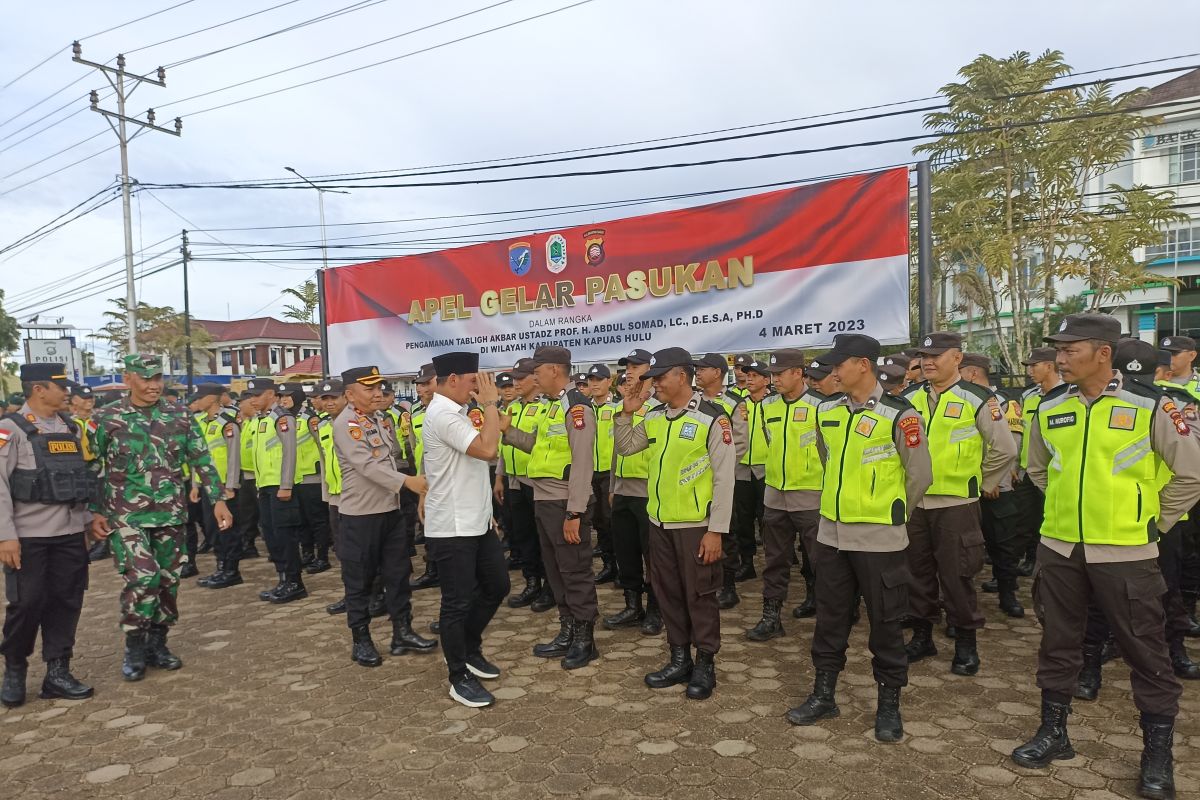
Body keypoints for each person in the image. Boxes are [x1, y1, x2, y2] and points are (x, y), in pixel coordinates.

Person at [1012, 315, 1200, 800]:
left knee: (1145, 650)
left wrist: (1150, 522)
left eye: (1070, 349)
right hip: (1059, 548)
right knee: (1058, 641)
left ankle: (1156, 755)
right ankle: (1054, 733)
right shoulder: (1049, 406)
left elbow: (1190, 474)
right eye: (1058, 349)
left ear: (1102, 353)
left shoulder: (1152, 405)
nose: (1059, 358)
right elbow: (1037, 468)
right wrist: (1065, 513)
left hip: (1126, 552)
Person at [786, 334, 932, 742]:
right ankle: (823, 695)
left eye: (840, 364)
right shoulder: (828, 411)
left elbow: (919, 474)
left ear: (863, 365)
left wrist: (891, 512)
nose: (833, 372)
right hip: (832, 535)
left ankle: (889, 706)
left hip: (880, 540)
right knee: (830, 619)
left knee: (886, 624)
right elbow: (825, 457)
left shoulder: (900, 414)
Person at [88, 355, 233, 682]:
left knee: (169, 580)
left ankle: (158, 643)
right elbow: (93, 468)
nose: (154, 385)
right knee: (143, 577)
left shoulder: (178, 415)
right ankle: (134, 646)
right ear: (128, 378)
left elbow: (202, 458)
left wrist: (218, 500)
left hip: (170, 512)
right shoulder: (107, 417)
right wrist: (94, 511)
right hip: (127, 517)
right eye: (146, 378)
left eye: (158, 378)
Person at [614, 347, 735, 700]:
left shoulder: (712, 418)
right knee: (668, 593)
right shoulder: (653, 416)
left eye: (660, 378)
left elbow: (725, 479)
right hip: (659, 522)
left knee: (700, 595)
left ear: (681, 376)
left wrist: (716, 530)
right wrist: (627, 412)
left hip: (697, 526)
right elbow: (625, 448)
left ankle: (705, 663)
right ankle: (679, 657)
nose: (654, 385)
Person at [901, 331, 1016, 675]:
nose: (929, 362)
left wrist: (983, 483)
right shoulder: (908, 399)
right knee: (917, 574)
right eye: (924, 356)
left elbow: (1005, 449)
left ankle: (966, 644)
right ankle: (922, 637)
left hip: (956, 505)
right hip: (916, 505)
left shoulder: (976, 398)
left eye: (937, 355)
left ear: (957, 359)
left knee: (957, 576)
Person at [0, 364, 96, 708]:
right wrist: (5, 537)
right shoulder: (10, 430)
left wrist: (87, 522)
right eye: (60, 387)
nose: (67, 392)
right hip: (28, 537)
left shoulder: (70, 427)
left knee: (66, 601)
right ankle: (14, 667)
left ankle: (58, 671)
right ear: (39, 389)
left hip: (69, 534)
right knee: (26, 604)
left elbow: (76, 482)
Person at [500, 346, 599, 670]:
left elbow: (583, 464)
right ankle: (567, 629)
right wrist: (507, 431)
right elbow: (537, 447)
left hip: (563, 503)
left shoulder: (577, 407)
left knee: (574, 570)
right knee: (556, 571)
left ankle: (585, 638)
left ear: (555, 370)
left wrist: (575, 512)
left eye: (538, 371)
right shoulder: (552, 408)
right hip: (543, 500)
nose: (534, 377)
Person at [422, 352, 509, 707]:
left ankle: (469, 647)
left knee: (497, 586)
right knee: (456, 602)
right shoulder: (442, 414)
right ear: (453, 379)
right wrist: (490, 406)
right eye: (474, 381)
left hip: (476, 520)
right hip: (452, 526)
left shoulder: (456, 413)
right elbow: (488, 449)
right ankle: (458, 675)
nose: (479, 388)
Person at [334, 366, 436, 666]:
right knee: (360, 580)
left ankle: (401, 632)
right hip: (360, 515)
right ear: (350, 394)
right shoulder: (346, 423)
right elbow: (368, 466)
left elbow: (391, 459)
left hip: (390, 511)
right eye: (370, 388)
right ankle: (361, 639)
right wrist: (408, 483)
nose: (378, 393)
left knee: (398, 574)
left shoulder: (381, 420)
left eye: (379, 387)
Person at [747, 349, 824, 641]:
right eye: (773, 374)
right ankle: (771, 616)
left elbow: (828, 451)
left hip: (812, 495)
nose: (775, 379)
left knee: (820, 559)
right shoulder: (768, 406)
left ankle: (825, 611)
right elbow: (767, 443)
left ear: (798, 373)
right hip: (776, 495)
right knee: (775, 560)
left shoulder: (822, 406)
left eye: (780, 374)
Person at [959, 354, 1024, 618]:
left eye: (960, 370)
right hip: (967, 488)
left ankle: (1007, 594)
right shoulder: (959, 400)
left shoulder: (1005, 403)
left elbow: (1013, 445)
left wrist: (993, 479)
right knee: (966, 550)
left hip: (997, 488)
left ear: (973, 373)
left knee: (1003, 545)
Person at [495, 359, 552, 611]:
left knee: (543, 537)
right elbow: (502, 445)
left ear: (535, 378)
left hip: (538, 481)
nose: (516, 383)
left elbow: (541, 444)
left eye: (521, 378)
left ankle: (550, 586)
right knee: (524, 535)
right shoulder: (513, 407)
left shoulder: (546, 407)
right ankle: (532, 583)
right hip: (514, 480)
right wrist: (500, 476)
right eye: (514, 378)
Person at [245, 379, 307, 604]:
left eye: (257, 394)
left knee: (285, 536)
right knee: (271, 536)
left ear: (271, 394)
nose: (252, 399)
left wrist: (286, 485)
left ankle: (294, 582)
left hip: (281, 487)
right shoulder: (261, 418)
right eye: (250, 395)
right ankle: (283, 579)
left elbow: (289, 452)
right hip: (266, 486)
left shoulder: (282, 417)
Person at [1013, 348, 1063, 577]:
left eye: (1035, 365)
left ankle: (1048, 564)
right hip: (1028, 470)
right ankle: (1031, 559)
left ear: (1050, 366)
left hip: (1055, 471)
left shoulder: (1067, 394)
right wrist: (1016, 466)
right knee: (1027, 520)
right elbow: (1023, 433)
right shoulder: (1029, 396)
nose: (1030, 371)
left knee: (1051, 517)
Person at [189, 384, 243, 590]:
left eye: (200, 397)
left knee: (227, 529)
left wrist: (231, 485)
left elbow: (233, 458)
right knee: (212, 528)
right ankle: (221, 566)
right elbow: (197, 455)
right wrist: (195, 484)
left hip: (224, 485)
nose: (197, 401)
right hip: (206, 484)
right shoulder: (200, 422)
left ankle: (231, 570)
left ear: (212, 399)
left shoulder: (227, 424)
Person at [731, 357, 771, 583]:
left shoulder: (773, 402)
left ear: (766, 380)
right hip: (742, 468)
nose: (749, 379)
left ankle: (773, 561)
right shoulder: (740, 403)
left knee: (767, 519)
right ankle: (747, 563)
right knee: (743, 519)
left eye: (755, 376)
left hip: (766, 469)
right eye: (747, 375)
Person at [312, 379, 349, 615]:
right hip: (336, 497)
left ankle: (375, 594)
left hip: (357, 497)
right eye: (324, 399)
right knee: (343, 550)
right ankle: (352, 593)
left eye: (333, 397)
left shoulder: (356, 424)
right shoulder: (324, 426)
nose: (329, 403)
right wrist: (328, 496)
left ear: (346, 397)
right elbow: (326, 463)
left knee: (363, 550)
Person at [408, 364, 440, 591]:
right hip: (424, 476)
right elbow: (414, 445)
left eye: (426, 383)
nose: (422, 389)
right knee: (428, 524)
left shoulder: (449, 410)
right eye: (419, 385)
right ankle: (432, 569)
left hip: (443, 475)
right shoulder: (415, 412)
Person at [586, 364, 618, 584]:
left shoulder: (618, 407)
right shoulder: (584, 409)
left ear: (609, 382)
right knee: (598, 521)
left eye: (599, 379)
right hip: (590, 472)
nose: (594, 384)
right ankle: (608, 565)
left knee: (612, 521)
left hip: (610, 472)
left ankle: (620, 565)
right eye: (591, 380)